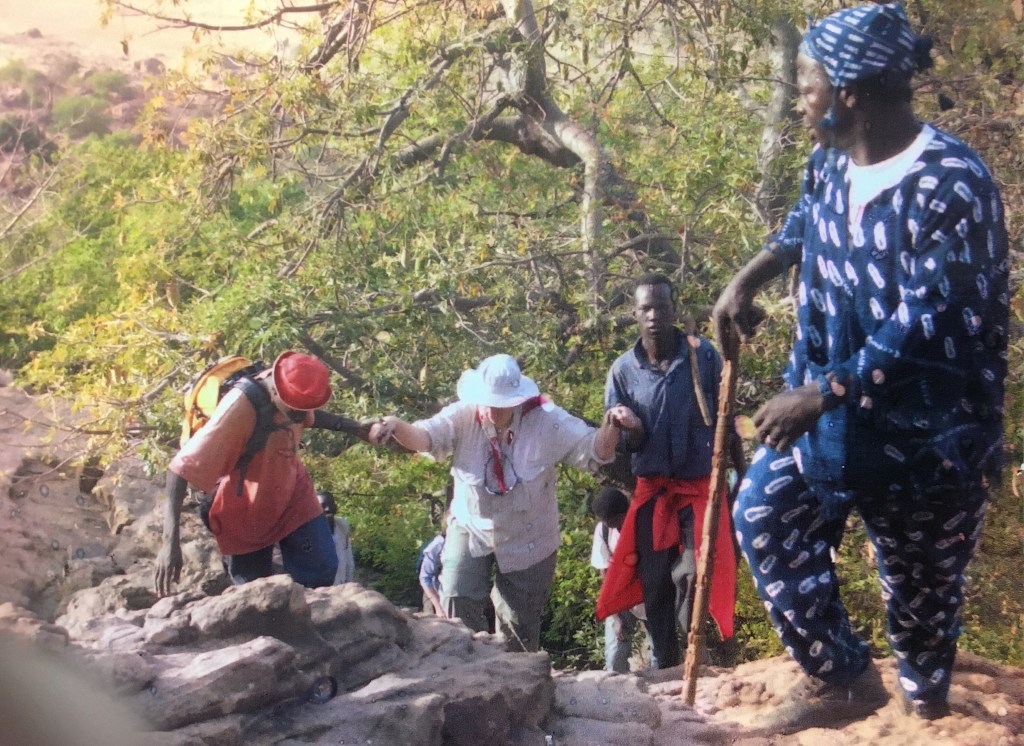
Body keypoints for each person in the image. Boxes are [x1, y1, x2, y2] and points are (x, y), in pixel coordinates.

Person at [713, 3, 1008, 732]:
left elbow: (932, 319)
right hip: (826, 429)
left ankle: (926, 708)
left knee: (921, 606)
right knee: (762, 514)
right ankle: (843, 677)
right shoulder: (830, 162)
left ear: (848, 89)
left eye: (808, 79)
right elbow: (802, 226)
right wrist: (747, 279)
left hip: (929, 444)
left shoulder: (953, 183)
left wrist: (823, 391)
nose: (800, 92)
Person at [369, 353, 638, 652]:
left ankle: (519, 685)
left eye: (505, 403)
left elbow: (595, 451)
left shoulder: (548, 419)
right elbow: (425, 437)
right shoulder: (461, 415)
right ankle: (466, 671)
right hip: (471, 525)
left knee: (518, 626)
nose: (496, 408)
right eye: (491, 401)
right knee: (457, 595)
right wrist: (395, 425)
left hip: (530, 536)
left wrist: (611, 425)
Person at [596, 273, 738, 670]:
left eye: (662, 306)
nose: (655, 315)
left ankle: (697, 652)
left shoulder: (702, 355)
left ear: (674, 310)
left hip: (698, 488)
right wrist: (631, 428)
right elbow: (622, 446)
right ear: (635, 314)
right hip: (654, 488)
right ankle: (665, 661)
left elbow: (728, 417)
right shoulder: (623, 371)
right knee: (653, 581)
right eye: (646, 308)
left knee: (695, 573)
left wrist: (739, 477)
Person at [155, 351, 374, 596]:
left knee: (322, 568)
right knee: (255, 593)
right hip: (244, 506)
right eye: (296, 413)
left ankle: (306, 625)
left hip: (292, 491)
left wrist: (357, 428)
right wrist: (169, 543)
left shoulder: (296, 398)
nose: (302, 419)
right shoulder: (238, 408)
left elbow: (310, 415)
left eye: (305, 410)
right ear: (275, 392)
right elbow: (179, 469)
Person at [590, 485, 655, 673]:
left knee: (661, 656)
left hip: (651, 598)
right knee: (614, 658)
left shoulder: (644, 523)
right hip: (621, 600)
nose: (611, 525)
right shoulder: (603, 531)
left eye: (614, 521)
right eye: (606, 521)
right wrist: (616, 617)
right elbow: (606, 573)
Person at [317, 490, 355, 584]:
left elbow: (349, 562)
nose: (328, 509)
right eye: (323, 505)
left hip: (342, 587)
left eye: (331, 504)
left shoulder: (342, 526)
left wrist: (348, 586)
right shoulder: (311, 533)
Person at [418, 530, 447, 617]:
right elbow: (424, 578)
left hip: (450, 593)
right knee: (432, 622)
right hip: (432, 590)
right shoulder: (438, 544)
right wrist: (438, 607)